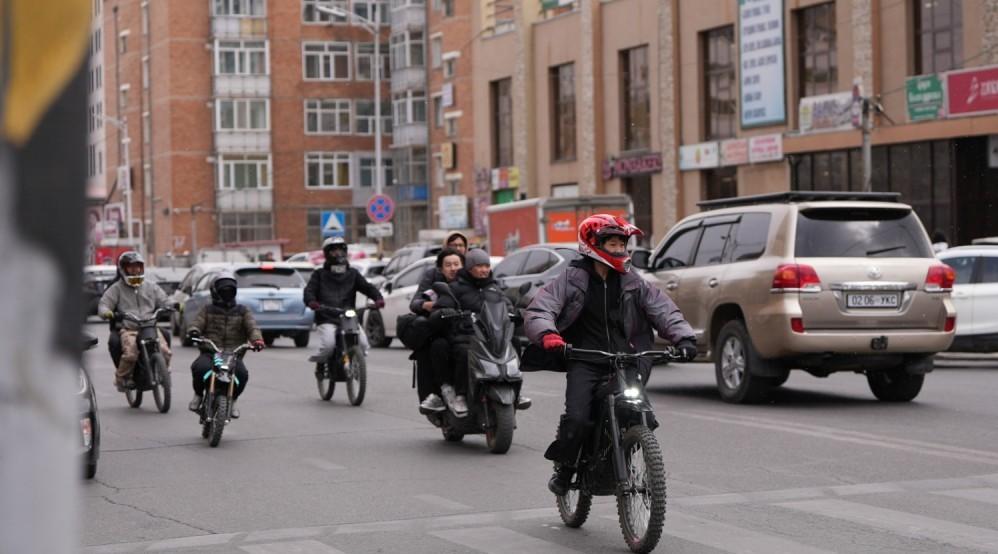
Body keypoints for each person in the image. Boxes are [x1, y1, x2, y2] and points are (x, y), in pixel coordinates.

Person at [523, 214, 697, 496]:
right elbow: (541, 309)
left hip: (626, 360)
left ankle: (620, 457)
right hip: (584, 359)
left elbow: (663, 309)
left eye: (622, 244)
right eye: (612, 244)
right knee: (578, 419)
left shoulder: (632, 280)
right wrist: (548, 335)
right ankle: (566, 469)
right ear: (592, 244)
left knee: (641, 416)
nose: (619, 249)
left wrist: (684, 338)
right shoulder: (572, 278)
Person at [186, 272, 264, 418]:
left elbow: (252, 327)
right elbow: (197, 323)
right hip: (210, 353)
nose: (227, 293)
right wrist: (194, 331)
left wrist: (257, 340)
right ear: (215, 291)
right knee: (199, 368)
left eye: (230, 290)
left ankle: (233, 400)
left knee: (242, 374)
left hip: (233, 355)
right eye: (223, 290)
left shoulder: (243, 311)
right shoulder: (207, 309)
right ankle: (198, 395)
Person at [98, 251, 173, 392]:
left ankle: (163, 372)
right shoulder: (116, 288)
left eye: (138, 266)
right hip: (130, 329)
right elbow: (104, 304)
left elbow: (165, 300)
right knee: (131, 355)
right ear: (123, 269)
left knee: (165, 351)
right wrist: (106, 312)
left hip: (150, 326)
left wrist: (173, 305)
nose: (135, 270)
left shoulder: (151, 286)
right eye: (131, 267)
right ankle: (122, 378)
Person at [304, 237, 385, 360]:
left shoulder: (353, 273)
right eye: (334, 251)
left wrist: (378, 299)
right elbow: (309, 291)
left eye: (341, 251)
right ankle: (321, 364)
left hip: (349, 316)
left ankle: (355, 365)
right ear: (327, 254)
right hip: (327, 317)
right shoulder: (319, 274)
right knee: (328, 346)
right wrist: (311, 302)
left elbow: (368, 288)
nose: (338, 254)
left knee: (363, 344)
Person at [411, 248, 464, 412]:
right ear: (441, 268)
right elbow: (416, 302)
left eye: (457, 264)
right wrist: (429, 306)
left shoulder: (472, 282)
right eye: (448, 265)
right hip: (443, 331)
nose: (453, 268)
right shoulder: (434, 283)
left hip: (469, 332)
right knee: (438, 346)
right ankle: (442, 392)